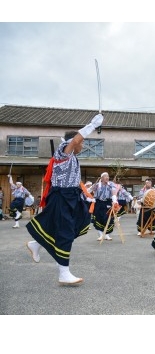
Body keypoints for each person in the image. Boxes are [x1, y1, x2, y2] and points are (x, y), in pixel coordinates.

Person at [25, 113, 103, 285]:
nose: (82, 145)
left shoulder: (73, 158)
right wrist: (91, 126)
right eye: (81, 142)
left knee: (78, 223)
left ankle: (35, 244)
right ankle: (63, 272)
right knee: (65, 232)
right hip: (61, 198)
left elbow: (75, 181)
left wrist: (85, 196)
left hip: (72, 198)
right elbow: (74, 141)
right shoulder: (63, 152)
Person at [89, 172, 120, 241]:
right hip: (98, 203)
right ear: (102, 178)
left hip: (108, 202)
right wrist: (91, 190)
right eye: (105, 176)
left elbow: (114, 191)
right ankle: (100, 234)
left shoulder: (111, 184)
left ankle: (107, 235)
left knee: (108, 218)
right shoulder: (97, 185)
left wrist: (114, 200)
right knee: (98, 218)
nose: (107, 177)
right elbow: (89, 191)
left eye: (108, 176)